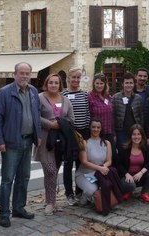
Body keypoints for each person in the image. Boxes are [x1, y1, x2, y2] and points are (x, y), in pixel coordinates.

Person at [0, 62, 41, 228]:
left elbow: (36, 115)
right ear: (14, 74)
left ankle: (19, 208)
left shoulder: (33, 91)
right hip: (11, 142)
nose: (24, 76)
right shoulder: (4, 93)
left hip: (28, 141)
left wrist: (39, 136)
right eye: (21, 73)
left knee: (24, 177)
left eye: (27, 73)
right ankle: (4, 214)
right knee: (7, 179)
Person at [34, 73, 75, 215]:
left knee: (54, 172)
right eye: (51, 82)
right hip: (46, 140)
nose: (53, 85)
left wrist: (61, 124)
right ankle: (50, 202)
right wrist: (50, 124)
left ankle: (52, 201)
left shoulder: (66, 100)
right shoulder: (39, 98)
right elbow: (35, 116)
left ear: (60, 85)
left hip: (61, 141)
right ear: (46, 84)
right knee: (50, 171)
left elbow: (71, 119)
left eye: (56, 83)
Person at [75, 118, 123, 215]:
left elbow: (109, 160)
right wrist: (100, 168)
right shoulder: (84, 143)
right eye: (93, 127)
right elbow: (84, 162)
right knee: (91, 189)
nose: (95, 129)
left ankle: (103, 199)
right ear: (90, 128)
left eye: (98, 127)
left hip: (99, 173)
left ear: (101, 129)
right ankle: (84, 197)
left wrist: (104, 167)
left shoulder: (107, 143)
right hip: (84, 174)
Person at [62, 68, 90, 206]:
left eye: (78, 78)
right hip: (70, 133)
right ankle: (69, 193)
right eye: (73, 77)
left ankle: (79, 191)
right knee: (68, 164)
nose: (76, 80)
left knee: (81, 163)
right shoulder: (64, 94)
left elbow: (88, 112)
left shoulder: (85, 94)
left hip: (83, 132)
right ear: (68, 78)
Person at [117, 124, 149, 204]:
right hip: (127, 177)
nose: (136, 137)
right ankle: (127, 191)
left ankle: (143, 193)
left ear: (142, 136)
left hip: (139, 176)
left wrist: (141, 172)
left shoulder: (145, 147)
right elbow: (118, 164)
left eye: (139, 134)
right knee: (130, 186)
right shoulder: (124, 148)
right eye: (134, 134)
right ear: (130, 136)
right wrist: (126, 174)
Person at [112, 72, 144, 151]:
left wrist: (141, 131)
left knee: (134, 152)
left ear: (134, 84)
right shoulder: (116, 97)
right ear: (122, 84)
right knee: (122, 152)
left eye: (131, 83)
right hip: (121, 131)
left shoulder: (138, 98)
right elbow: (112, 117)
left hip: (135, 132)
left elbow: (141, 116)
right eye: (126, 83)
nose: (128, 85)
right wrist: (114, 133)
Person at [88, 73, 116, 160]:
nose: (99, 86)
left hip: (108, 132)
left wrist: (114, 133)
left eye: (101, 83)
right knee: (98, 158)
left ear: (105, 84)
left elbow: (111, 115)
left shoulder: (108, 96)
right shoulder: (90, 96)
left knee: (113, 157)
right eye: (97, 83)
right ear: (93, 83)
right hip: (96, 133)